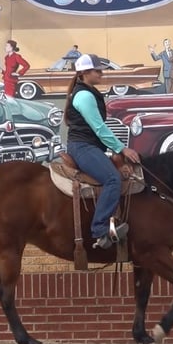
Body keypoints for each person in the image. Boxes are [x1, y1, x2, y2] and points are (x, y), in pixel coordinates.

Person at [64, 53, 141, 250]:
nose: (101, 74)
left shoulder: (87, 92)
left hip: (89, 146)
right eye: (98, 70)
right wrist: (121, 148)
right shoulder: (84, 95)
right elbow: (99, 128)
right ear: (84, 72)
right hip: (82, 147)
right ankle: (99, 230)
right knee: (113, 179)